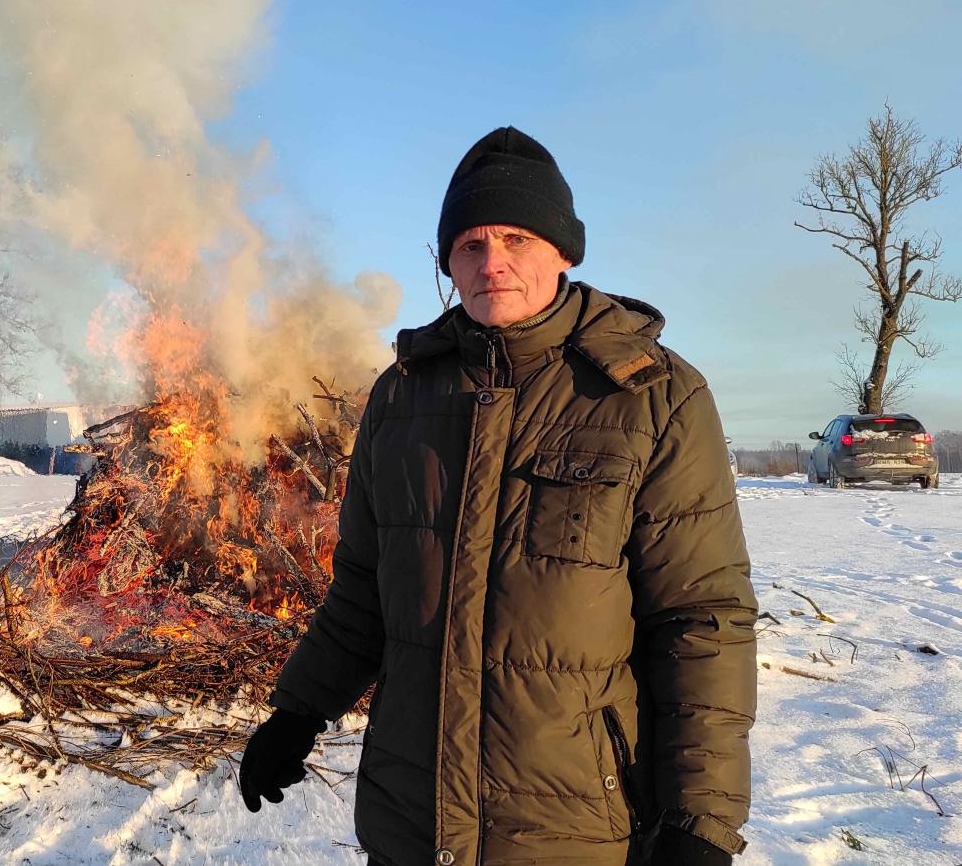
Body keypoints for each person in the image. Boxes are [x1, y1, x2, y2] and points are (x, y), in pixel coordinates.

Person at [239, 128, 756, 866]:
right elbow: (363, 587)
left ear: (564, 252)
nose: (493, 264)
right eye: (470, 245)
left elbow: (702, 618)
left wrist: (701, 820)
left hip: (574, 825)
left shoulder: (653, 395)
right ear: (447, 260)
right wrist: (298, 710)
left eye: (516, 238)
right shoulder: (402, 395)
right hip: (410, 817)